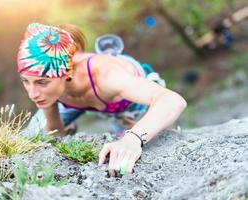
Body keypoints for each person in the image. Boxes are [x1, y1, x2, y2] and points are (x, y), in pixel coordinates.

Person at [17, 23, 187, 176]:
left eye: (42, 82)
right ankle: (70, 125)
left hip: (126, 104)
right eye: (26, 81)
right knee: (30, 138)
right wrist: (48, 107)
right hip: (69, 95)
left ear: (66, 73)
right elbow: (55, 136)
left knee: (146, 140)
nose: (32, 94)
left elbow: (172, 100)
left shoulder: (107, 76)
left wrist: (132, 138)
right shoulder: (48, 85)